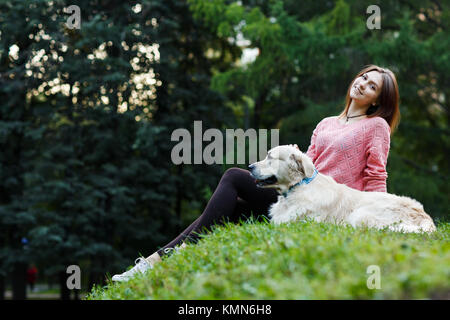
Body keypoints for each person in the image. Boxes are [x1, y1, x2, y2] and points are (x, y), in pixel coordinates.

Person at [112, 64, 400, 282]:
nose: (363, 85)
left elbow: (376, 176)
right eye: (363, 77)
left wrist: (379, 215)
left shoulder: (376, 127)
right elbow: (307, 168)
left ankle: (161, 260)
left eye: (372, 86)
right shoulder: (326, 123)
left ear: (377, 100)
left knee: (235, 176)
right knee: (233, 209)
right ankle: (153, 263)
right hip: (298, 198)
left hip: (328, 208)